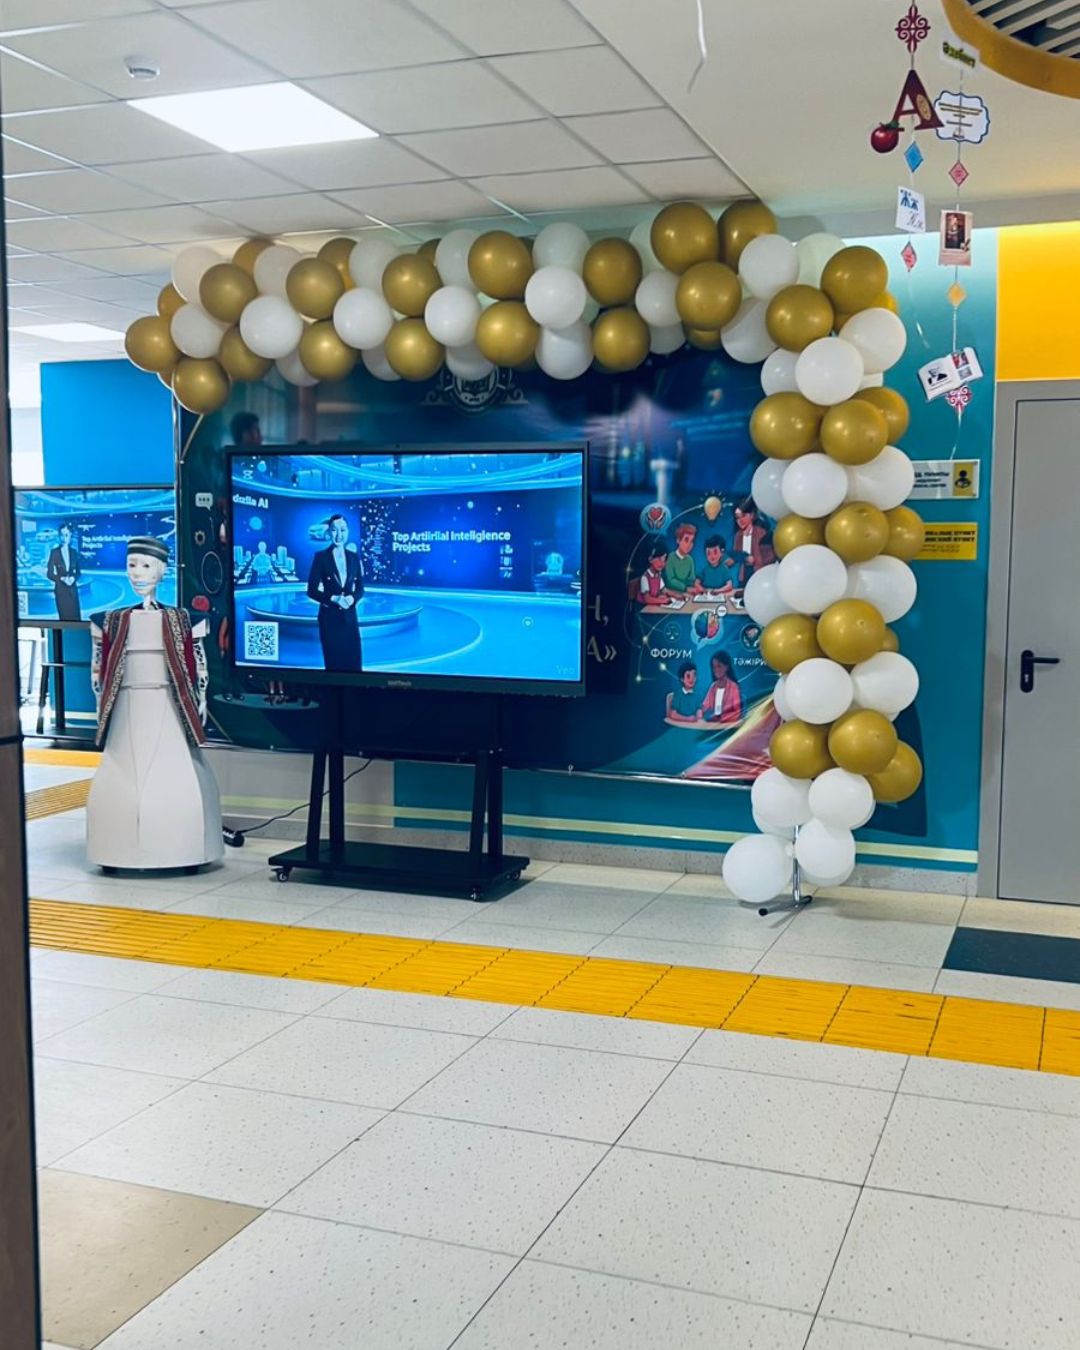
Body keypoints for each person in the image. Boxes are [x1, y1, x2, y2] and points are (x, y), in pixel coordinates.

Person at [87, 537, 222, 871]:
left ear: (161, 571)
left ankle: (187, 848)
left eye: (145, 566)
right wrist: (100, 701)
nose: (137, 573)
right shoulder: (108, 620)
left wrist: (201, 697)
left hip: (171, 707)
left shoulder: (184, 620)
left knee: (179, 776)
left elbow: (199, 663)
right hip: (125, 710)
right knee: (120, 778)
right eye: (132, 565)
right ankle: (115, 849)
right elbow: (98, 668)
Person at [306, 513, 364, 671]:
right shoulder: (321, 557)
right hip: (329, 619)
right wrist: (333, 598)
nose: (339, 535)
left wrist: (353, 598)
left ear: (348, 531)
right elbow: (311, 590)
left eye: (342, 530)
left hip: (350, 619)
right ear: (329, 532)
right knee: (333, 665)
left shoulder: (354, 557)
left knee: (354, 664)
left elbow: (360, 589)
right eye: (334, 530)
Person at [732, 499, 775, 585]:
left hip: (759, 573)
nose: (740, 520)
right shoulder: (738, 536)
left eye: (743, 516)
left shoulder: (761, 533)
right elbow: (735, 554)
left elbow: (770, 555)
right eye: (737, 517)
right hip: (744, 573)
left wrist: (756, 560)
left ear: (751, 515)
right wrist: (744, 558)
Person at [46, 522, 82, 621]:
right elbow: (49, 574)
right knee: (64, 619)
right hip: (60, 591)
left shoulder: (74, 553)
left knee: (76, 619)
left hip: (72, 591)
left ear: (70, 536)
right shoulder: (54, 553)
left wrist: (73, 578)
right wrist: (61, 578)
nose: (64, 538)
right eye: (62, 535)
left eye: (66, 535)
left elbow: (78, 572)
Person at [701, 650, 743, 724]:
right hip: (714, 724)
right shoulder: (713, 687)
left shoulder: (733, 687)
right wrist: (699, 713)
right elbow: (704, 706)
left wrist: (722, 718)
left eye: (719, 666)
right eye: (714, 667)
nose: (716, 670)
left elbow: (737, 712)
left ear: (726, 667)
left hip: (729, 725)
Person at [664, 522, 703, 595]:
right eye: (686, 540)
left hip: (686, 594)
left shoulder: (690, 559)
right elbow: (671, 581)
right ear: (678, 540)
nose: (689, 545)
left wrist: (697, 585)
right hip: (672, 594)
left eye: (692, 541)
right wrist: (686, 588)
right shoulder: (671, 558)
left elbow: (691, 579)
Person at [637, 542, 669, 606]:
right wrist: (664, 601)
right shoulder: (645, 577)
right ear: (650, 559)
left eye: (664, 560)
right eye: (659, 559)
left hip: (652, 606)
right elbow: (647, 599)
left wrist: (678, 596)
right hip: (643, 607)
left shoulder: (658, 575)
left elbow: (664, 590)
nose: (662, 563)